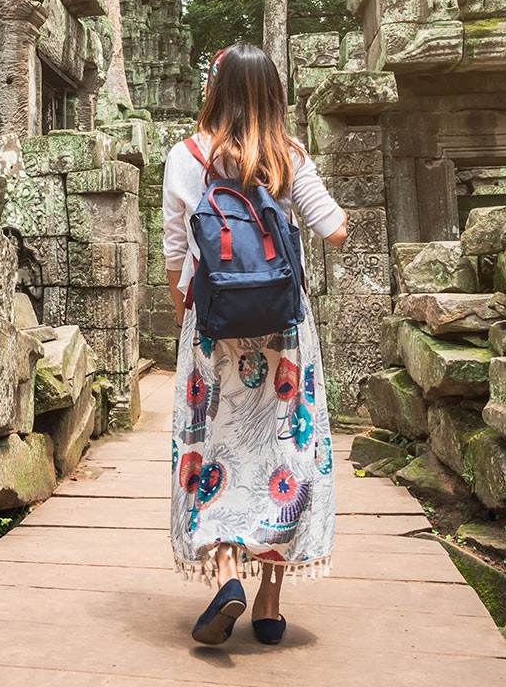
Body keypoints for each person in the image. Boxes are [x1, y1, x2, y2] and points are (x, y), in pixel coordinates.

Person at [161, 42, 349, 647]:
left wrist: (188, 318)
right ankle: (269, 604)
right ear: (273, 94)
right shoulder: (287, 155)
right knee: (283, 453)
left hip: (213, 330)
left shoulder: (186, 157)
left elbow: (174, 256)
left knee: (214, 450)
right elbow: (335, 230)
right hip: (284, 334)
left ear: (214, 91)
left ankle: (225, 577)